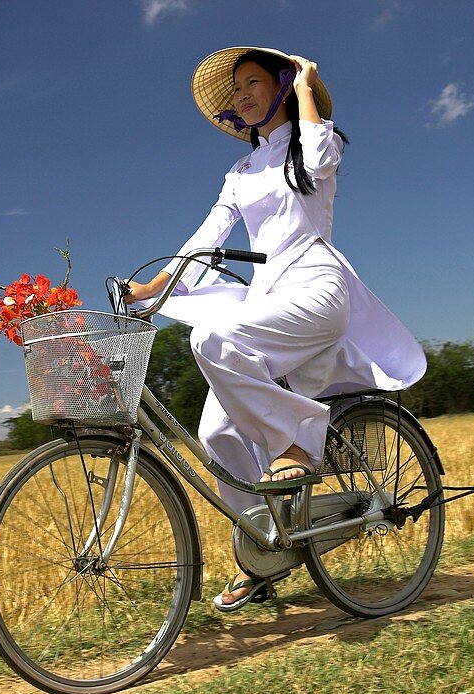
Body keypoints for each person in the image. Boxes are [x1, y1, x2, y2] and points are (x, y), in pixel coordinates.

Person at [124, 47, 427, 612]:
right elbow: (206, 238)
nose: (241, 95)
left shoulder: (308, 145)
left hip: (315, 290)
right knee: (216, 433)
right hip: (268, 302)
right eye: (236, 89)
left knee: (212, 338)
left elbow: (318, 156)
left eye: (254, 82)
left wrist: (309, 82)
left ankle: (298, 441)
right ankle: (264, 551)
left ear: (282, 86)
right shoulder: (240, 172)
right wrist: (154, 287)